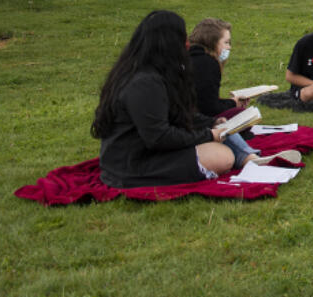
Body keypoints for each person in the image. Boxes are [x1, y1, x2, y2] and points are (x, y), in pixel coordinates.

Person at [92, 10, 234, 187]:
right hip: (133, 165)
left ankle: (247, 156)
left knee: (224, 143)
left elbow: (175, 114)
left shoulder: (151, 72)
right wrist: (208, 135)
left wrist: (210, 123)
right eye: (183, 38)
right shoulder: (144, 82)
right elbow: (159, 137)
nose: (187, 44)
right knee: (223, 156)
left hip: (141, 154)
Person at [188, 18, 300, 169]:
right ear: (212, 42)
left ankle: (249, 156)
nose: (229, 47)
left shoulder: (190, 59)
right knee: (235, 119)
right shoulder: (208, 63)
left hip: (193, 118)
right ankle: (249, 157)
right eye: (226, 42)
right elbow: (209, 107)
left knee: (234, 118)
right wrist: (233, 103)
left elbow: (202, 98)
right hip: (194, 122)